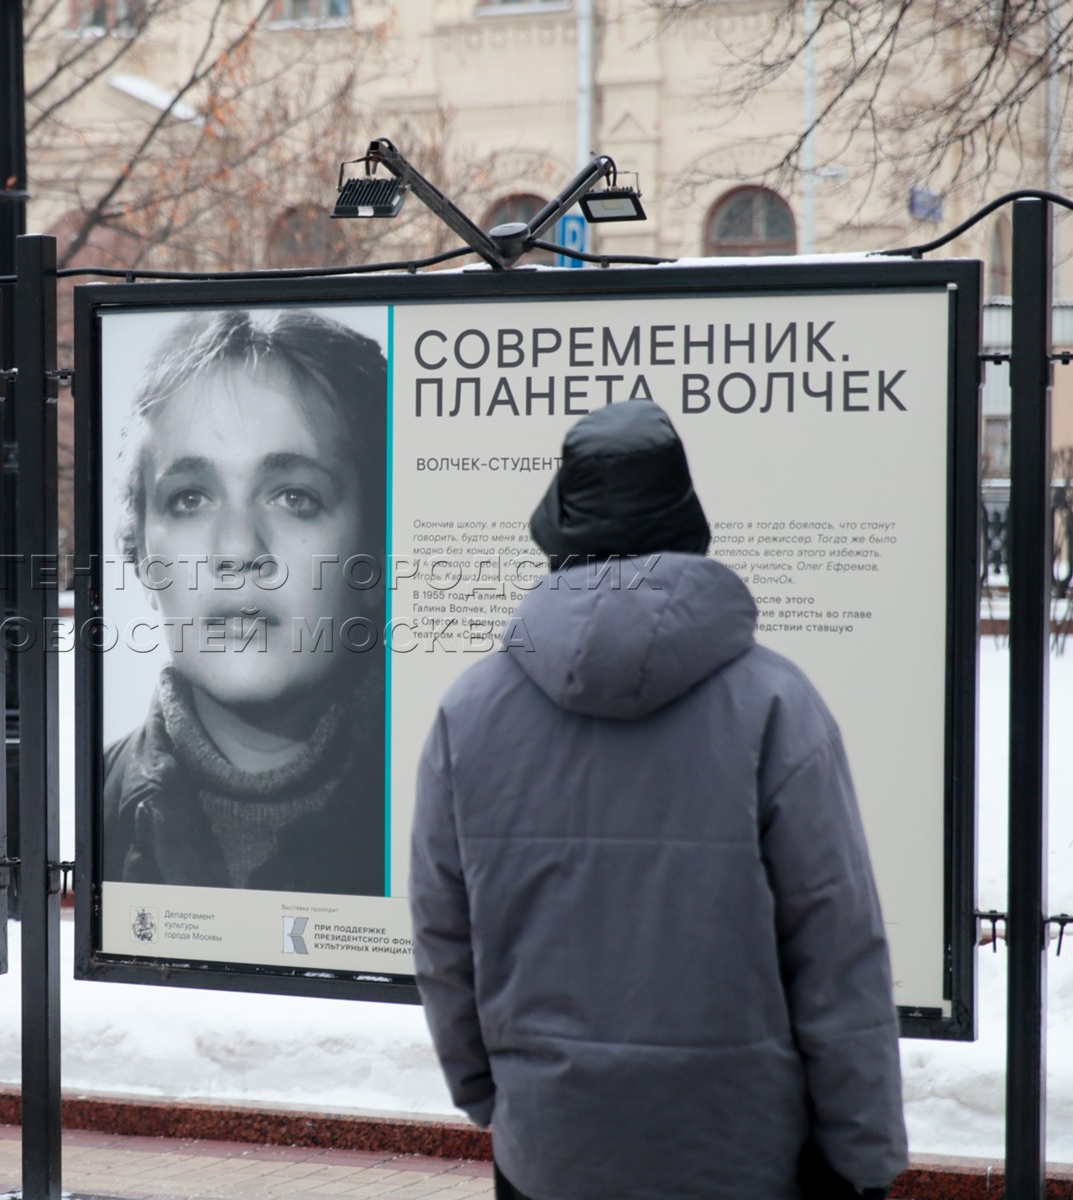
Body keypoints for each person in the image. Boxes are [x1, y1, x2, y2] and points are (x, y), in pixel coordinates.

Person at [409, 401, 906, 1200]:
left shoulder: (470, 711)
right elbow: (836, 945)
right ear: (687, 519)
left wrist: (494, 1098)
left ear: (558, 521)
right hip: (741, 1151)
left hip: (552, 1150)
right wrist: (863, 1158)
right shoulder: (777, 705)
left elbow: (444, 936)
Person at [99, 309, 387, 896]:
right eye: (189, 499)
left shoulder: (477, 813)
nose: (237, 549)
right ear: (141, 551)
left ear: (374, 550)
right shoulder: (76, 814)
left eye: (294, 497)